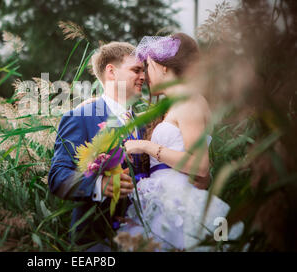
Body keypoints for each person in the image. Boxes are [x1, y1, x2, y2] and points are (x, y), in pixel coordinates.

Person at [119, 33, 243, 251]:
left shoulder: (189, 100)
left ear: (164, 67)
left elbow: (200, 165)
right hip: (166, 199)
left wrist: (145, 146)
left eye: (148, 66)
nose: (146, 75)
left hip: (178, 202)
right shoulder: (176, 104)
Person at [48, 41, 148, 250]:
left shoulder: (144, 124)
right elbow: (57, 177)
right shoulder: (80, 117)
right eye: (136, 70)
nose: (143, 77)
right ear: (111, 72)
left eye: (144, 71)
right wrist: (99, 185)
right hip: (98, 241)